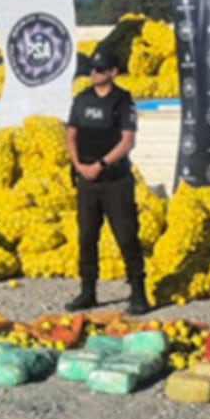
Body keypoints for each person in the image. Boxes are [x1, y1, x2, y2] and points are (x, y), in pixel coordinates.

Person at [64, 50, 148, 316]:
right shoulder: (82, 99)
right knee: (87, 237)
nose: (94, 73)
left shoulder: (122, 101)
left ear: (113, 72)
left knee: (126, 236)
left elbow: (127, 141)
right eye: (92, 69)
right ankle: (87, 291)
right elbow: (71, 134)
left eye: (100, 70)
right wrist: (79, 165)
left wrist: (100, 165)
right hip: (86, 180)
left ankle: (138, 292)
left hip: (115, 180)